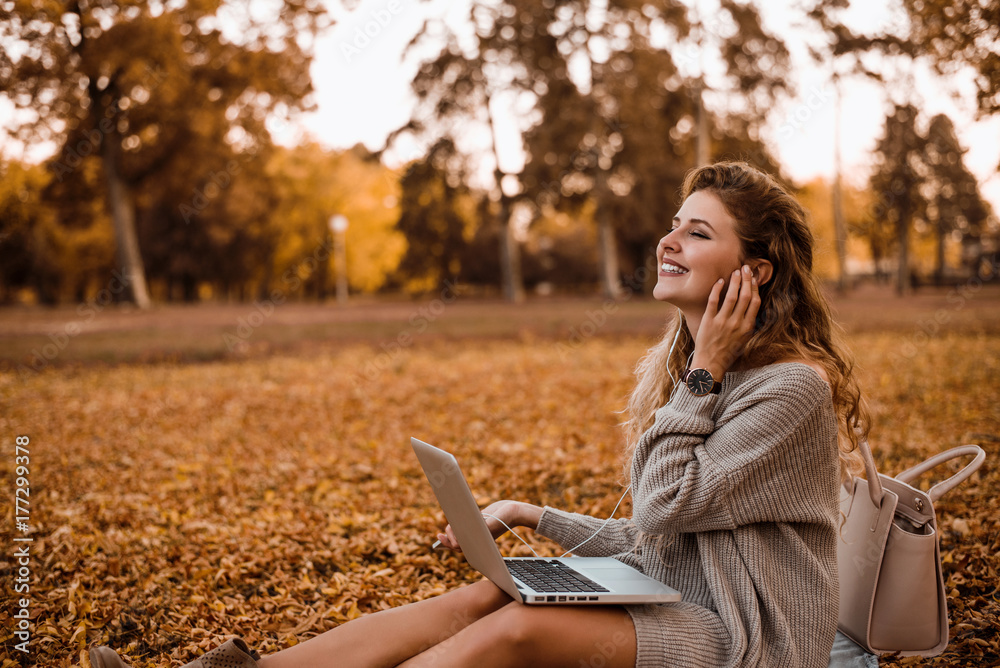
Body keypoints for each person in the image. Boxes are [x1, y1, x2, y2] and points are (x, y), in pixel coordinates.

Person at [90, 161, 877, 668]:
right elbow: (660, 540)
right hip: (683, 600)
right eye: (674, 223)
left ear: (753, 271)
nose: (668, 240)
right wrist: (528, 513)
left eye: (696, 232)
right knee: (486, 597)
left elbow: (666, 506)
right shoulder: (689, 370)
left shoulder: (786, 390)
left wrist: (702, 370)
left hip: (752, 642)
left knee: (518, 630)